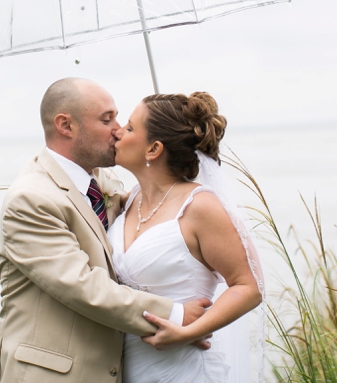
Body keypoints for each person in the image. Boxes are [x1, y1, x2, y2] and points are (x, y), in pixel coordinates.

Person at [0, 78, 211, 383]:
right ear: (65, 125)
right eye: (107, 119)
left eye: (119, 119)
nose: (118, 130)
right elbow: (84, 287)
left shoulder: (101, 182)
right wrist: (176, 316)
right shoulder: (31, 199)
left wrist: (172, 166)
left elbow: (145, 220)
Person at [109, 91, 266, 383]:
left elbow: (249, 285)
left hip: (184, 368)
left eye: (130, 128)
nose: (118, 132)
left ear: (153, 149)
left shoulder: (200, 206)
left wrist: (188, 331)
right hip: (130, 367)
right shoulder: (129, 200)